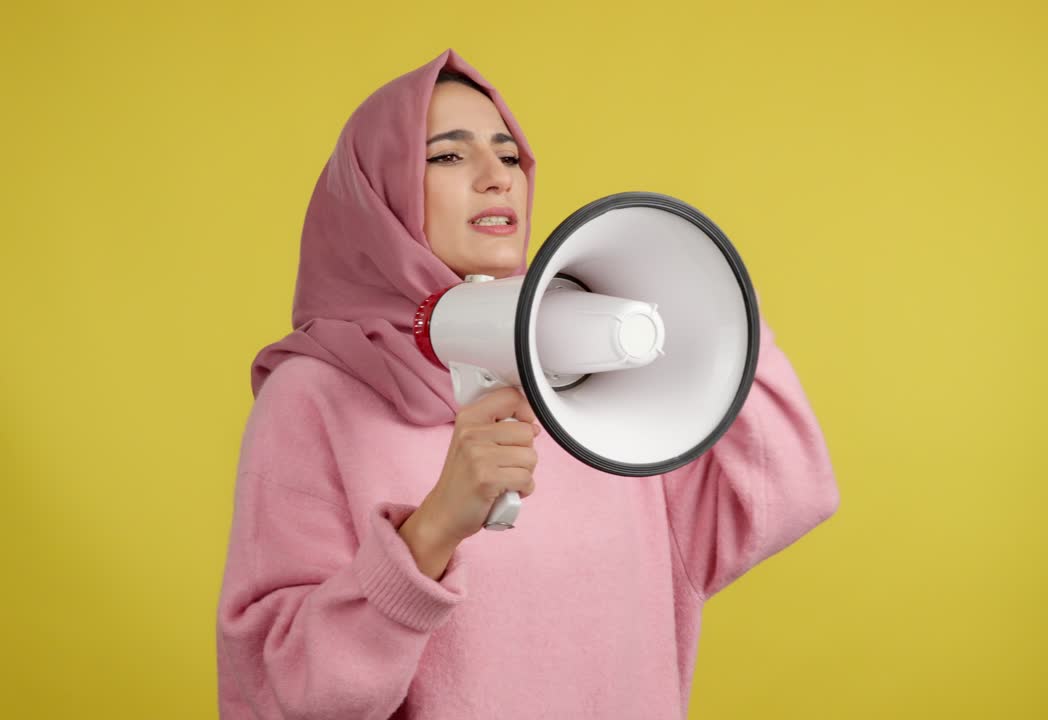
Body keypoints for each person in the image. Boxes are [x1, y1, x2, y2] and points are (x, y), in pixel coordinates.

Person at [215, 47, 840, 720]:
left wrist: (707, 301)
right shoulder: (313, 397)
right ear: (378, 193)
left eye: (510, 156)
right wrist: (433, 529)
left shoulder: (601, 375)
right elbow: (285, 691)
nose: (496, 179)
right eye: (448, 156)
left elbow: (784, 494)